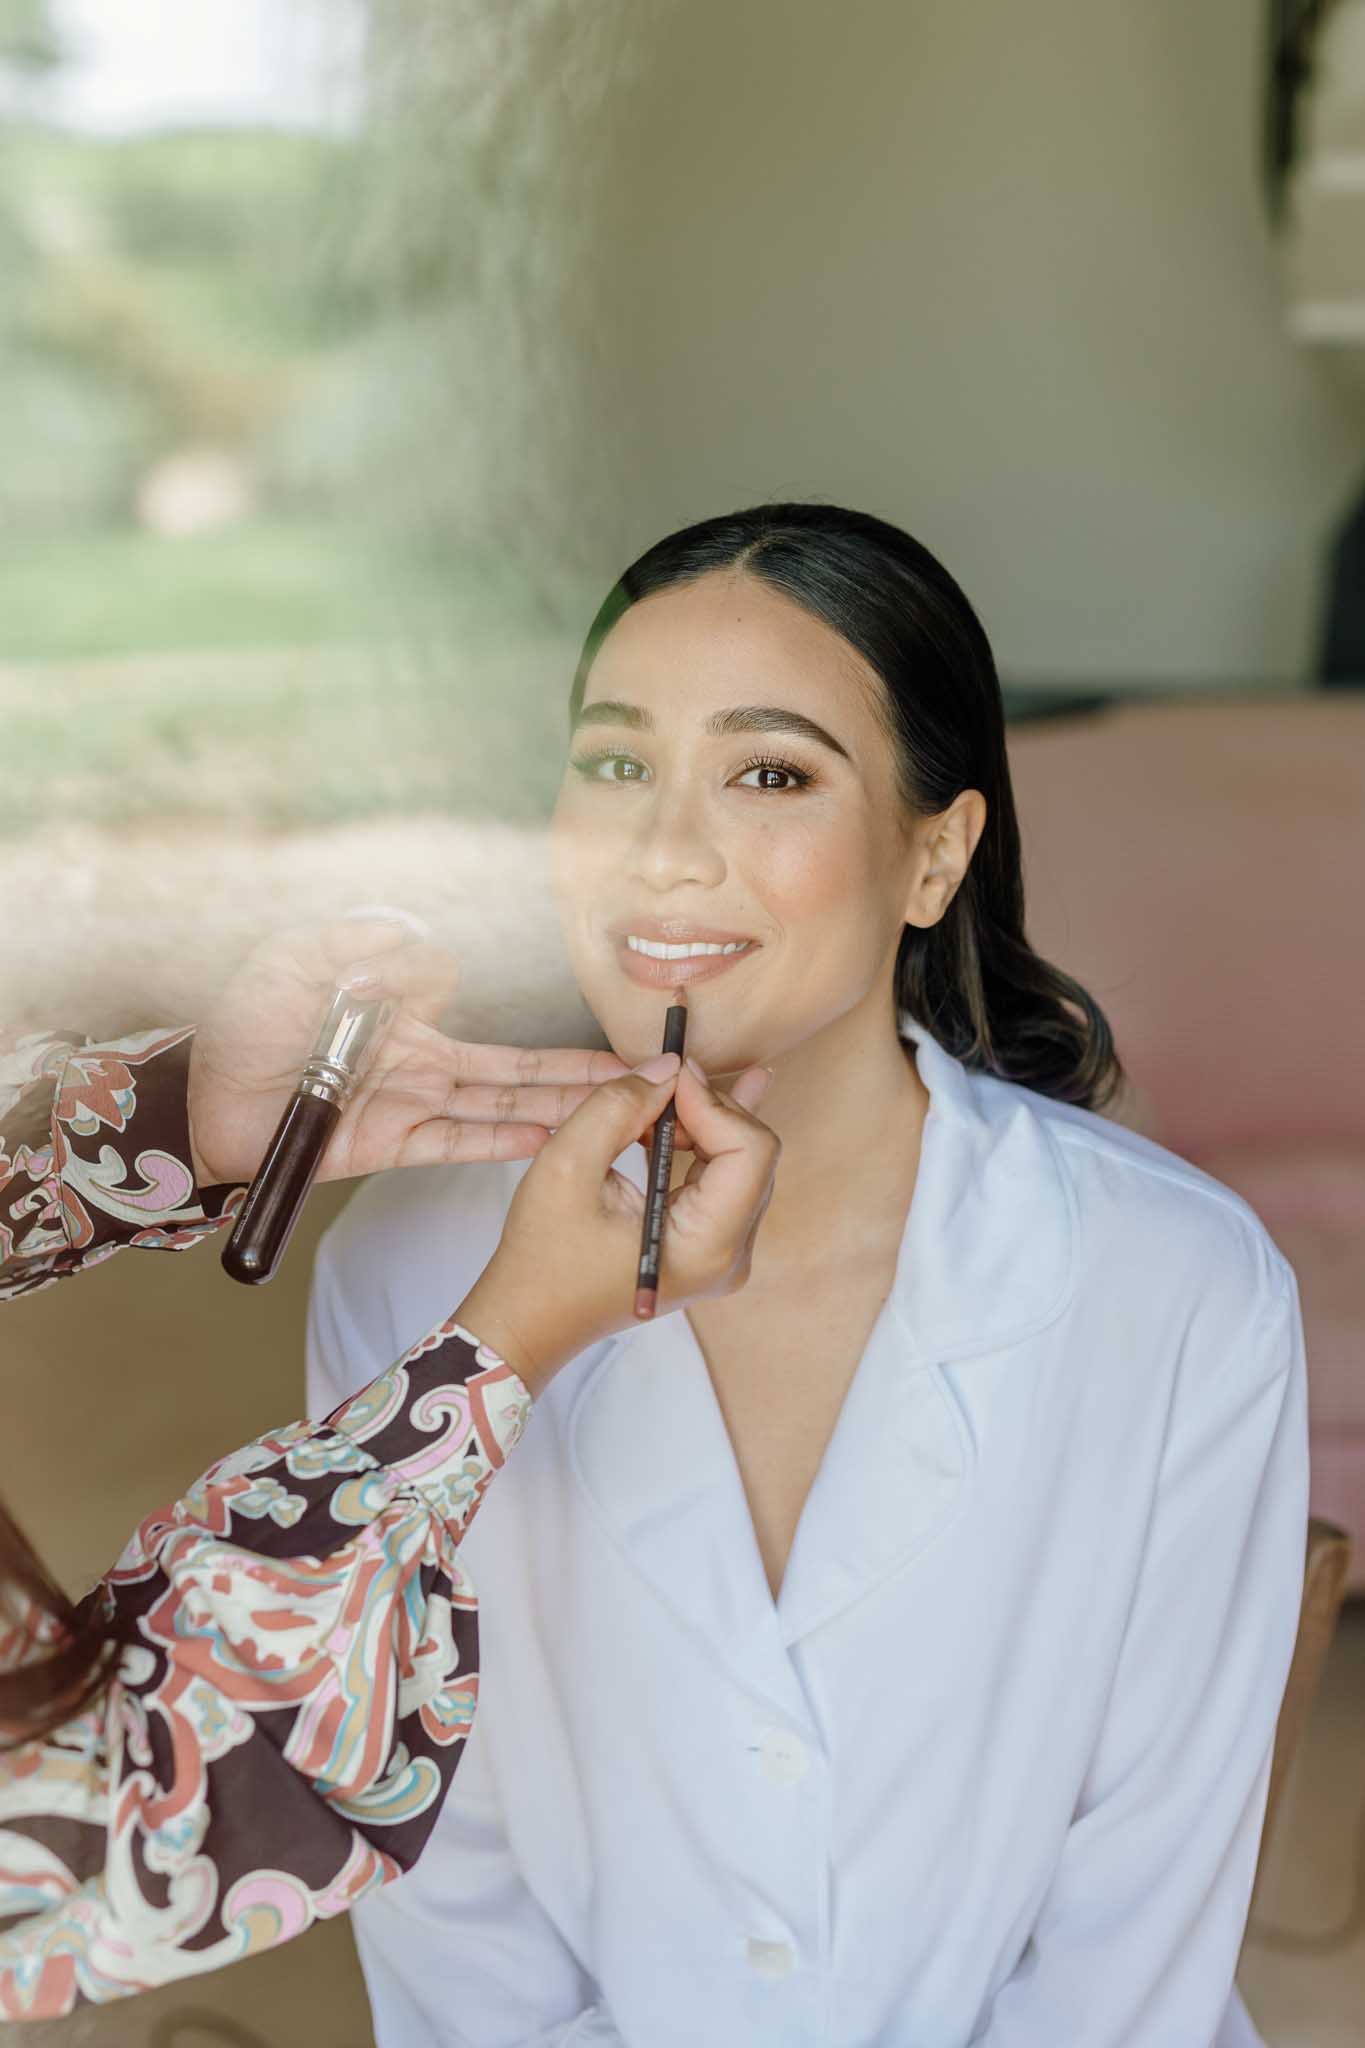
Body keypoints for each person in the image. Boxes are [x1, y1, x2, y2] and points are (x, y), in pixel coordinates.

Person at [310, 503, 1309, 2048]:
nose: (664, 849)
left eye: (769, 774)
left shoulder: (1177, 1288)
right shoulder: (408, 1267)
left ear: (934, 856)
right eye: (615, 766)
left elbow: (1128, 1945)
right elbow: (444, 1884)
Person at [0, 914, 779, 2019]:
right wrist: (506, 1343)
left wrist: (171, 1123)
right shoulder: (391, 1263)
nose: (674, 862)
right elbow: (114, 1833)